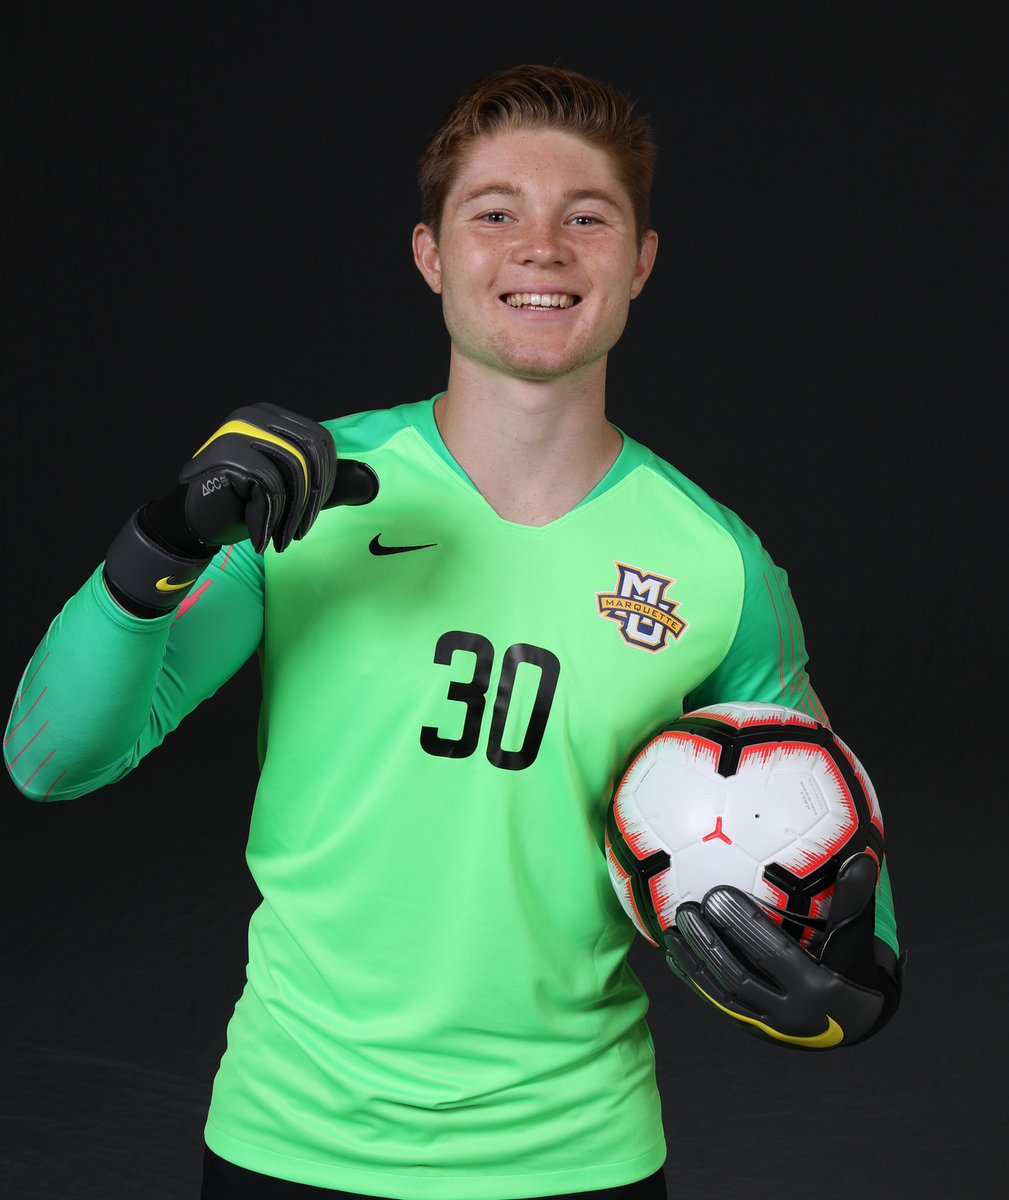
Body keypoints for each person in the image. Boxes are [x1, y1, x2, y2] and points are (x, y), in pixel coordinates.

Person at [4, 63, 903, 1200]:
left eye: (587, 216)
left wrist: (862, 984)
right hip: (291, 1141)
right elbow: (51, 760)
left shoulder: (718, 563)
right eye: (494, 214)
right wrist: (161, 542)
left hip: (578, 1157)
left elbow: (832, 831)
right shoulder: (300, 494)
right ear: (431, 255)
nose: (541, 247)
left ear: (641, 262)